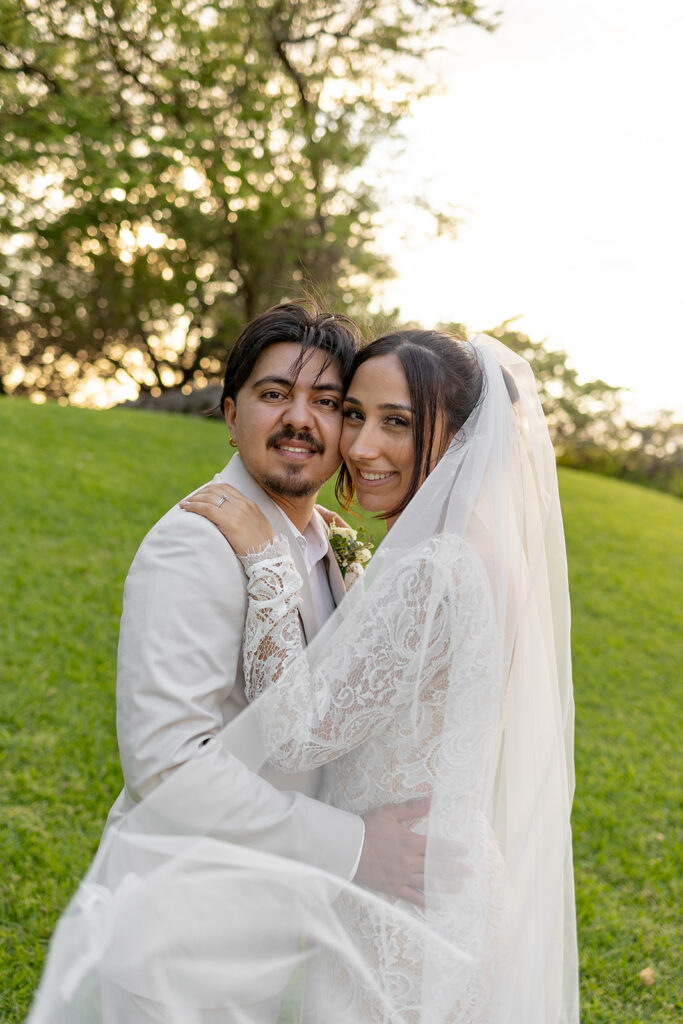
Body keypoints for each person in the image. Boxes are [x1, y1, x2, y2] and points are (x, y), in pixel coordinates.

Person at [26, 305, 428, 1024]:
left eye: (326, 403)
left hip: (268, 931)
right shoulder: (195, 542)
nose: (300, 419)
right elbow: (168, 763)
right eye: (275, 394)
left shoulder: (324, 543)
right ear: (231, 410)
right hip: (182, 940)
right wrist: (354, 846)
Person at [180, 329, 580, 1022]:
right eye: (355, 414)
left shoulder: (436, 565)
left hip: (401, 907)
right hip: (444, 880)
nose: (360, 447)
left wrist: (267, 565)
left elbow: (299, 736)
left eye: (396, 422)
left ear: (460, 435)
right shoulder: (479, 547)